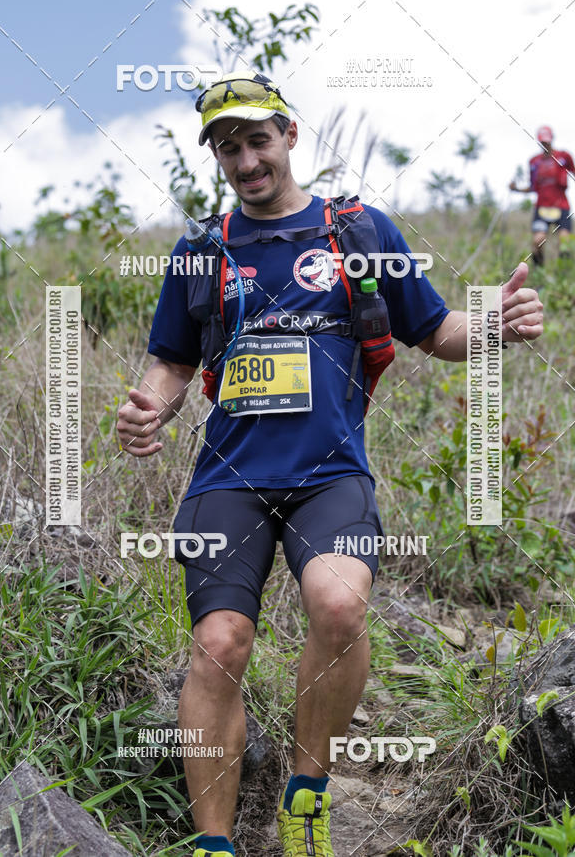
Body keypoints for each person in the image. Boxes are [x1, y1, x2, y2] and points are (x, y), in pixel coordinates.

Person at [117, 72, 544, 857]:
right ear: (216, 157)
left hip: (330, 475)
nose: (247, 161)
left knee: (340, 607)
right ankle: (213, 844)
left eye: (258, 140)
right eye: (228, 148)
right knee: (219, 644)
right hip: (228, 479)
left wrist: (498, 327)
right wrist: (149, 408)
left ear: (289, 135)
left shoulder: (359, 231)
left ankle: (305, 796)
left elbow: (435, 330)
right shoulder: (201, 251)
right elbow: (171, 364)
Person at [509, 125, 574, 265]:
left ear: (552, 139)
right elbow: (533, 187)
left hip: (561, 206)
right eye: (543, 142)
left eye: (547, 141)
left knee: (565, 241)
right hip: (542, 207)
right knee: (538, 241)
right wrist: (516, 189)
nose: (545, 144)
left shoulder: (564, 157)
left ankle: (563, 272)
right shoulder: (534, 162)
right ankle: (539, 272)